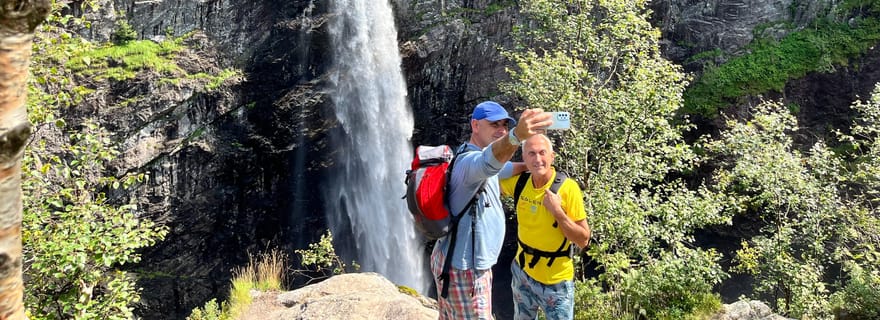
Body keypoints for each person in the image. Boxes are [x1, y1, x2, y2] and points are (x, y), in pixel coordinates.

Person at [431, 101, 552, 319]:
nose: (501, 130)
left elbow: (501, 168)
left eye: (505, 125)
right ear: (475, 125)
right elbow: (489, 163)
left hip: (452, 259)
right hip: (466, 269)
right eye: (494, 124)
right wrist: (516, 135)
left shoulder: (469, 154)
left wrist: (531, 165)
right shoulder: (470, 163)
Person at [499, 134, 591, 320]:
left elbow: (583, 240)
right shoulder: (520, 183)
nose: (538, 159)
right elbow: (486, 174)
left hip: (556, 281)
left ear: (552, 156)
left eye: (542, 153)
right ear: (523, 158)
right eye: (531, 154)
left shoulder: (567, 188)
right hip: (522, 273)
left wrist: (558, 212)